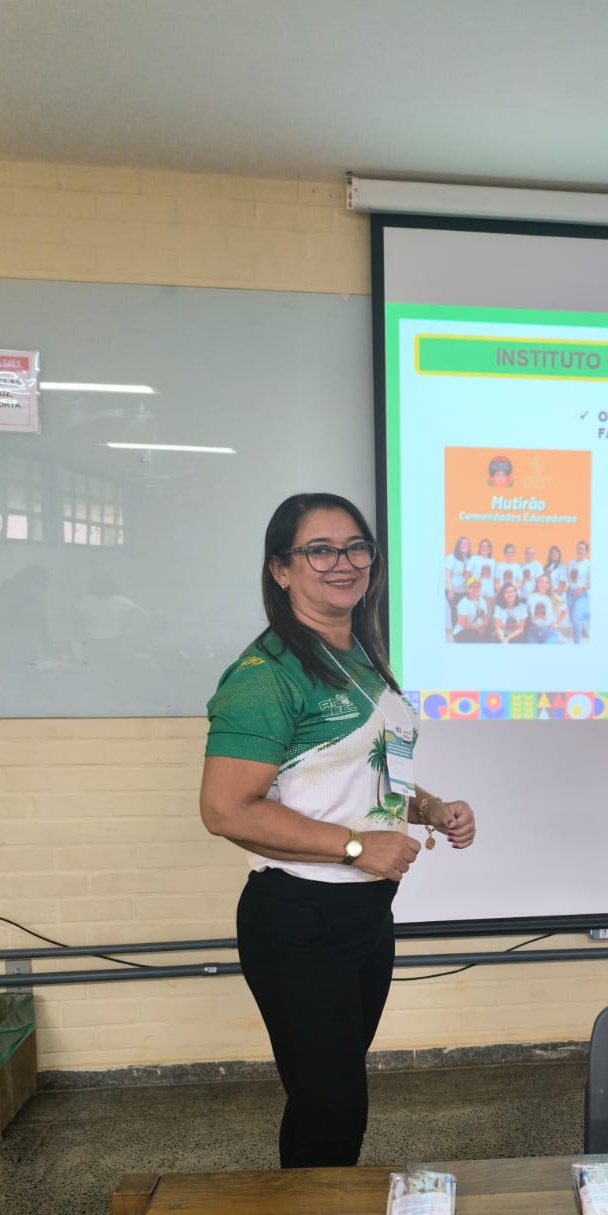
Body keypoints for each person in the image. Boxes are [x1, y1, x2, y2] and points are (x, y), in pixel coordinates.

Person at [200, 492, 475, 1168]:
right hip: (299, 914)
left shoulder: (359, 657)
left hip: (363, 912)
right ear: (281, 570)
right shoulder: (265, 678)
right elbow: (226, 810)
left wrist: (429, 806)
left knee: (334, 1094)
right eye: (319, 550)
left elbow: (363, 777)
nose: (343, 562)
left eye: (356, 548)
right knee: (332, 1106)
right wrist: (356, 847)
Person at [526, 571, 563, 643]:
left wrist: (557, 623)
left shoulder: (555, 597)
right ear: (538, 583)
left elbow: (565, 611)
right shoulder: (531, 597)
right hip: (533, 631)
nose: (544, 584)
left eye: (547, 582)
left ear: (549, 585)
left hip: (549, 632)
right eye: (542, 582)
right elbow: (527, 614)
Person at [443, 535, 472, 626]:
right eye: (462, 543)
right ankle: (456, 636)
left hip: (466, 592)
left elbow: (470, 576)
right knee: (456, 613)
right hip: (454, 592)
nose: (465, 545)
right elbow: (447, 575)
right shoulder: (451, 558)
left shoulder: (470, 558)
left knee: (465, 614)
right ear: (458, 545)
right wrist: (450, 590)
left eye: (467, 543)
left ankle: (464, 635)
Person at [567, 538, 591, 643]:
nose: (580, 550)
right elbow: (568, 578)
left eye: (582, 549)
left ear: (586, 551)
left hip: (581, 594)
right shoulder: (571, 562)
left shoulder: (588, 564)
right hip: (570, 594)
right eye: (578, 548)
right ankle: (584, 623)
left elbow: (591, 581)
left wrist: (582, 588)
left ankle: (577, 644)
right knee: (573, 619)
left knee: (576, 619)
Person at [454, 575, 490, 641]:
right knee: (474, 636)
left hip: (478, 629)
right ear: (468, 589)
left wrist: (483, 627)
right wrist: (477, 628)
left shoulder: (482, 601)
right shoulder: (463, 603)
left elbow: (485, 617)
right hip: (463, 631)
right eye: (472, 586)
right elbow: (463, 622)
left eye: (478, 586)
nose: (475, 589)